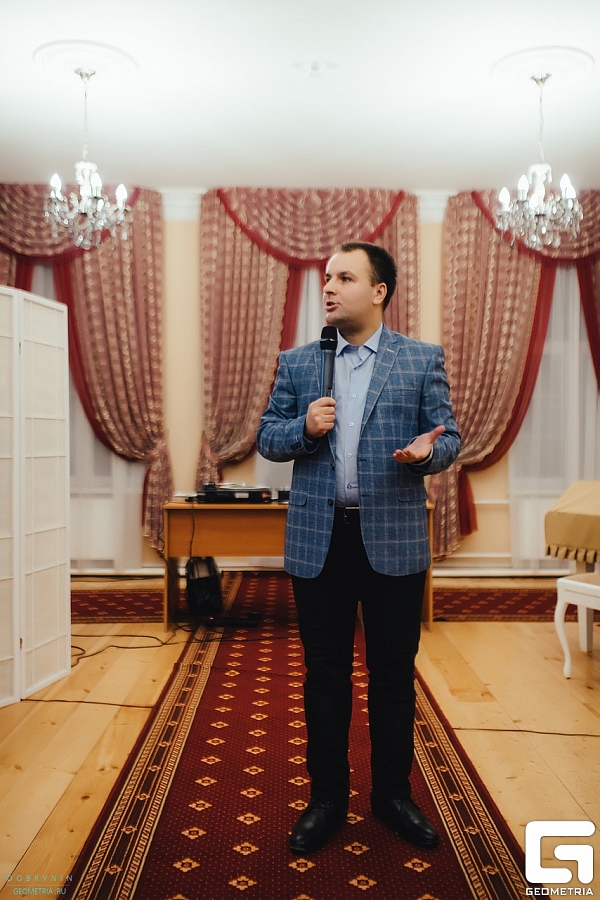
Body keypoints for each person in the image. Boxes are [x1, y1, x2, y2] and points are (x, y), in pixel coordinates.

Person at [256, 241, 460, 855]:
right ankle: (327, 798)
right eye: (326, 277)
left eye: (344, 277)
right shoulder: (299, 362)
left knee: (393, 676)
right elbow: (268, 437)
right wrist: (303, 428)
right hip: (319, 540)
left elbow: (449, 437)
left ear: (378, 291)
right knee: (324, 676)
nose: (328, 286)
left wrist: (427, 453)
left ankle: (393, 795)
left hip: (393, 537)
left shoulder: (420, 359)